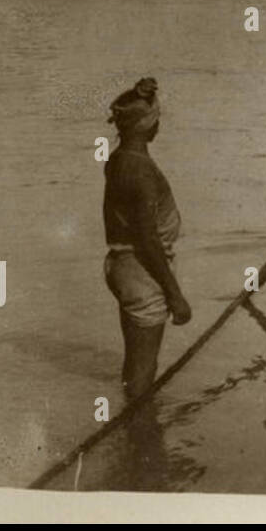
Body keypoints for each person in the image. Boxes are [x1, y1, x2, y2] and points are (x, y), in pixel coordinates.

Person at [101, 77, 191, 400]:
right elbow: (148, 240)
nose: (159, 124)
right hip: (143, 271)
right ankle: (139, 437)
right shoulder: (142, 172)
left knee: (135, 361)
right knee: (144, 368)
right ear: (145, 126)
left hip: (120, 265)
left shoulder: (116, 161)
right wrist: (175, 294)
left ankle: (134, 426)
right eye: (156, 118)